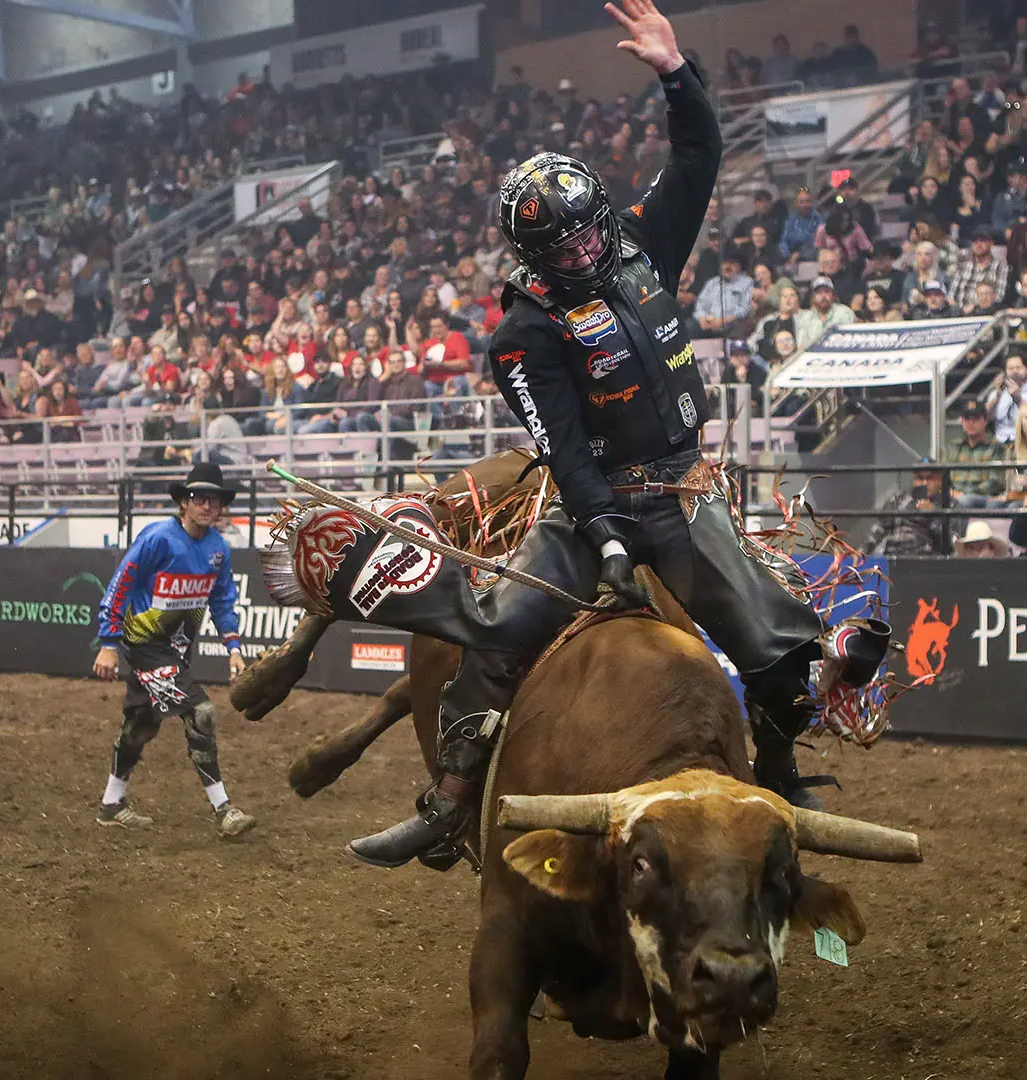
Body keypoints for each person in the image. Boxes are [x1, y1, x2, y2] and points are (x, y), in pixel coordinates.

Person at [347, 0, 830, 869]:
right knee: (497, 630)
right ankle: (452, 799)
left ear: (602, 217)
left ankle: (781, 771)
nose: (579, 255)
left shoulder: (643, 245)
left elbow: (698, 156)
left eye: (584, 237)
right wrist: (604, 534)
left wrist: (677, 77)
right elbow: (562, 447)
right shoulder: (524, 331)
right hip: (590, 505)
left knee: (777, 639)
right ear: (533, 256)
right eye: (559, 250)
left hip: (681, 492)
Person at [92, 463, 254, 839]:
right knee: (201, 711)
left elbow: (223, 600)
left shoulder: (218, 550)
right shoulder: (157, 539)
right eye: (200, 498)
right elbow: (120, 585)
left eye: (215, 500)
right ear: (184, 502)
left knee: (141, 725)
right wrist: (109, 642)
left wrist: (233, 647)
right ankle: (223, 809)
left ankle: (111, 804)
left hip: (175, 650)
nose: (208, 506)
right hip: (144, 642)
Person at [984, 351, 1027, 443]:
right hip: (999, 442)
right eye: (1010, 368)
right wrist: (997, 397)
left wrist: (1018, 399)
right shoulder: (997, 393)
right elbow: (985, 419)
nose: (1014, 371)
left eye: (1018, 367)